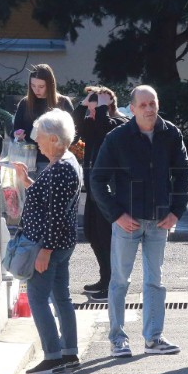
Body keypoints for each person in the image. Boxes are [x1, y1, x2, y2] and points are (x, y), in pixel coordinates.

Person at [91, 85, 188, 357]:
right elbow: (97, 180)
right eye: (143, 105)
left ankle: (153, 338)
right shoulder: (117, 138)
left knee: (155, 280)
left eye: (152, 103)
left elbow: (183, 173)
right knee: (120, 281)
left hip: (160, 220)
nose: (149, 109)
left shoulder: (170, 134)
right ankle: (118, 340)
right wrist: (117, 215)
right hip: (127, 219)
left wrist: (176, 211)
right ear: (132, 108)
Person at [11, 108, 83, 374]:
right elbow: (49, 202)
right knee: (61, 297)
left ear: (53, 138)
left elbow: (55, 214)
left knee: (38, 298)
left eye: (39, 137)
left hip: (49, 244)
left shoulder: (62, 167)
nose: (36, 142)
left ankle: (53, 355)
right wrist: (28, 181)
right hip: (59, 243)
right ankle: (69, 353)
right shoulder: (67, 161)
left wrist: (44, 251)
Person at [72, 86, 128, 302]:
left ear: (108, 106)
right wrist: (83, 105)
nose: (92, 114)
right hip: (94, 192)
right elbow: (74, 124)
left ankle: (113, 282)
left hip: (110, 192)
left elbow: (108, 128)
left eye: (97, 108)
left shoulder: (120, 123)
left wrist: (102, 107)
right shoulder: (94, 124)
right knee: (92, 234)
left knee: (107, 238)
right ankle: (104, 278)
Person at [12, 64, 74, 176]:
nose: (36, 90)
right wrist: (17, 134)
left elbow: (73, 134)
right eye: (33, 85)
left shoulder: (63, 102)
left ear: (50, 85)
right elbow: (15, 130)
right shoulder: (25, 103)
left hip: (54, 161)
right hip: (28, 161)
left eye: (41, 86)